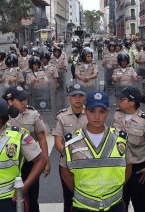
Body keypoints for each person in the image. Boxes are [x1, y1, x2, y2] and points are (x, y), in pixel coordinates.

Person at [60, 91, 131, 212]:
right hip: (83, 206)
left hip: (114, 204)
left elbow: (128, 167)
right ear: (85, 111)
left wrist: (113, 190)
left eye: (102, 112)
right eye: (92, 111)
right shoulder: (72, 141)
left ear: (107, 112)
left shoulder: (120, 139)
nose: (97, 117)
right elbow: (65, 173)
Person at [4, 85, 50, 212]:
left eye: (25, 99)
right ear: (10, 101)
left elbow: (41, 138)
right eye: (20, 100)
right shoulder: (2, 115)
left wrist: (46, 161)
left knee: (32, 196)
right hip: (10, 162)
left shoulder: (33, 114)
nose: (24, 102)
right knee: (11, 198)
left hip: (31, 161)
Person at [113, 86, 145, 211]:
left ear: (132, 103)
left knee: (139, 203)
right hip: (118, 167)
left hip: (137, 170)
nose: (119, 101)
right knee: (120, 202)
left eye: (122, 99)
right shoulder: (117, 114)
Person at [52, 83, 89, 212]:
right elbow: (58, 142)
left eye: (80, 96)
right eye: (74, 96)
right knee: (69, 198)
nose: (77, 99)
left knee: (89, 196)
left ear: (85, 97)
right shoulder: (61, 116)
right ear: (69, 97)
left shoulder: (91, 114)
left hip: (88, 162)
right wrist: (70, 157)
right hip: (67, 163)